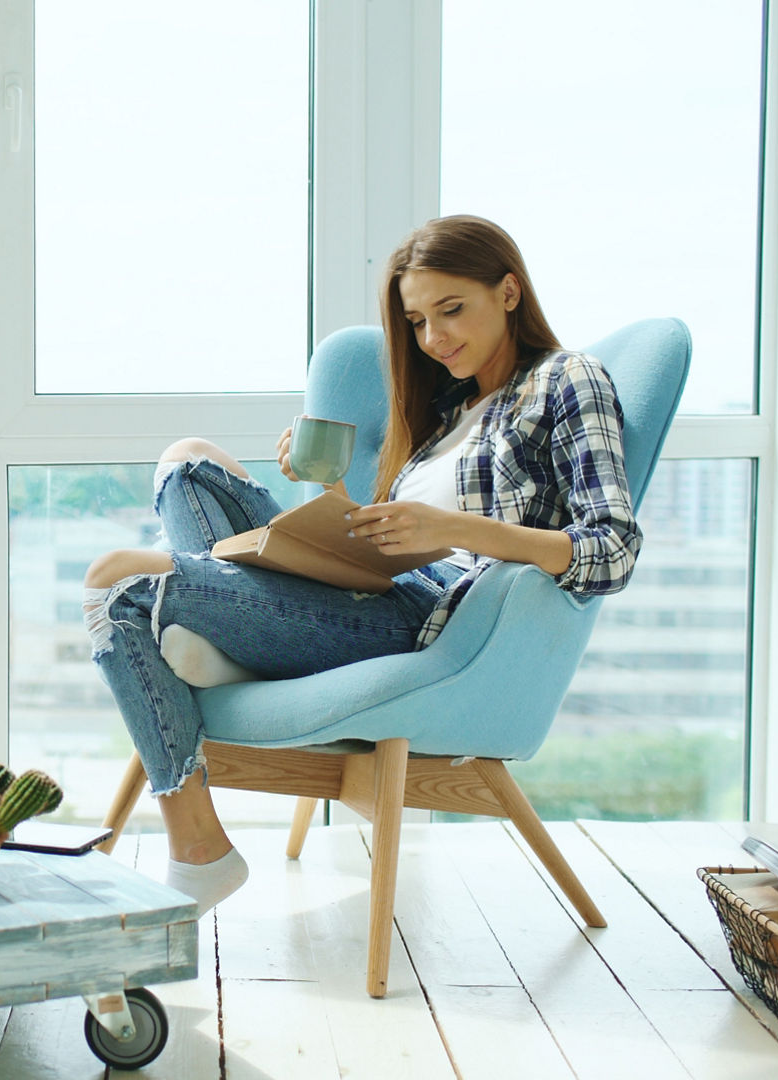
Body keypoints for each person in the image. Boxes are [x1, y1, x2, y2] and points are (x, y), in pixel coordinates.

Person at [81, 215, 639, 914]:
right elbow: (383, 541)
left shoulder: (567, 380)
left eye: (451, 310)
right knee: (187, 462)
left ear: (508, 292)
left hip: (426, 621)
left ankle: (199, 848)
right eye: (418, 321)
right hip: (369, 589)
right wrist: (330, 492)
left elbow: (611, 550)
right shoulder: (447, 407)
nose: (433, 338)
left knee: (120, 583)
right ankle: (234, 648)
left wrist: (453, 528)